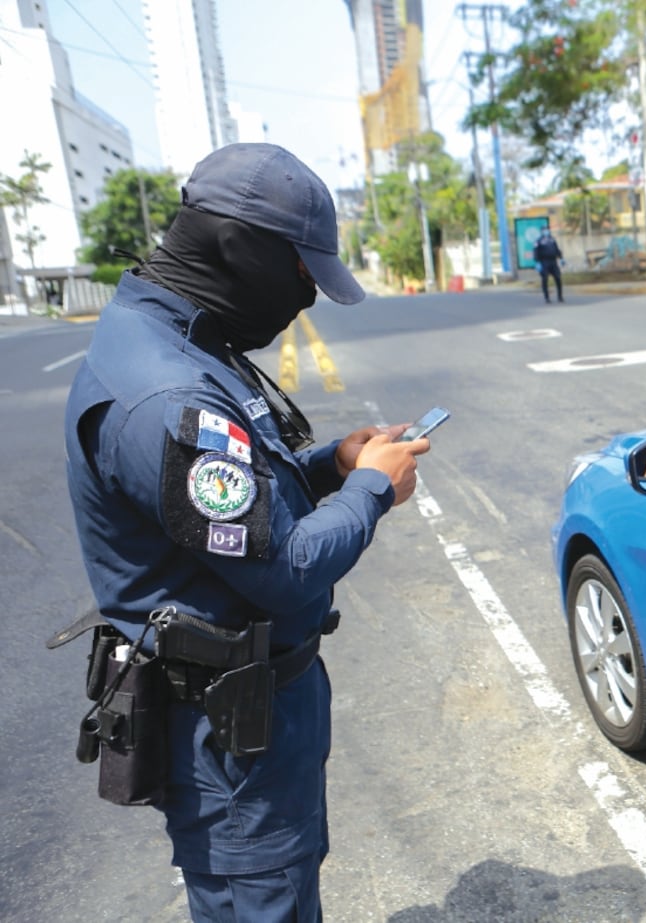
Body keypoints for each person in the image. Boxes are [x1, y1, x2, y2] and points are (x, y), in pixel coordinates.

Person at [63, 143, 430, 922]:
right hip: (229, 746)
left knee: (278, 890)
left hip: (252, 721)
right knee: (262, 899)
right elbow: (290, 566)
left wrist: (330, 464)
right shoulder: (168, 394)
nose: (307, 302)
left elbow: (231, 503)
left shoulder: (181, 336)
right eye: (303, 277)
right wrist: (372, 489)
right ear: (241, 251)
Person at [533, 228, 564, 303]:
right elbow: (536, 251)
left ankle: (560, 297)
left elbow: (556, 249)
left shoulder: (552, 239)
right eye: (544, 230)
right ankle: (547, 297)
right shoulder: (538, 241)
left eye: (547, 230)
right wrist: (537, 262)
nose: (546, 231)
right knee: (545, 279)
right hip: (544, 262)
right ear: (542, 232)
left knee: (558, 278)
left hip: (553, 261)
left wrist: (561, 258)